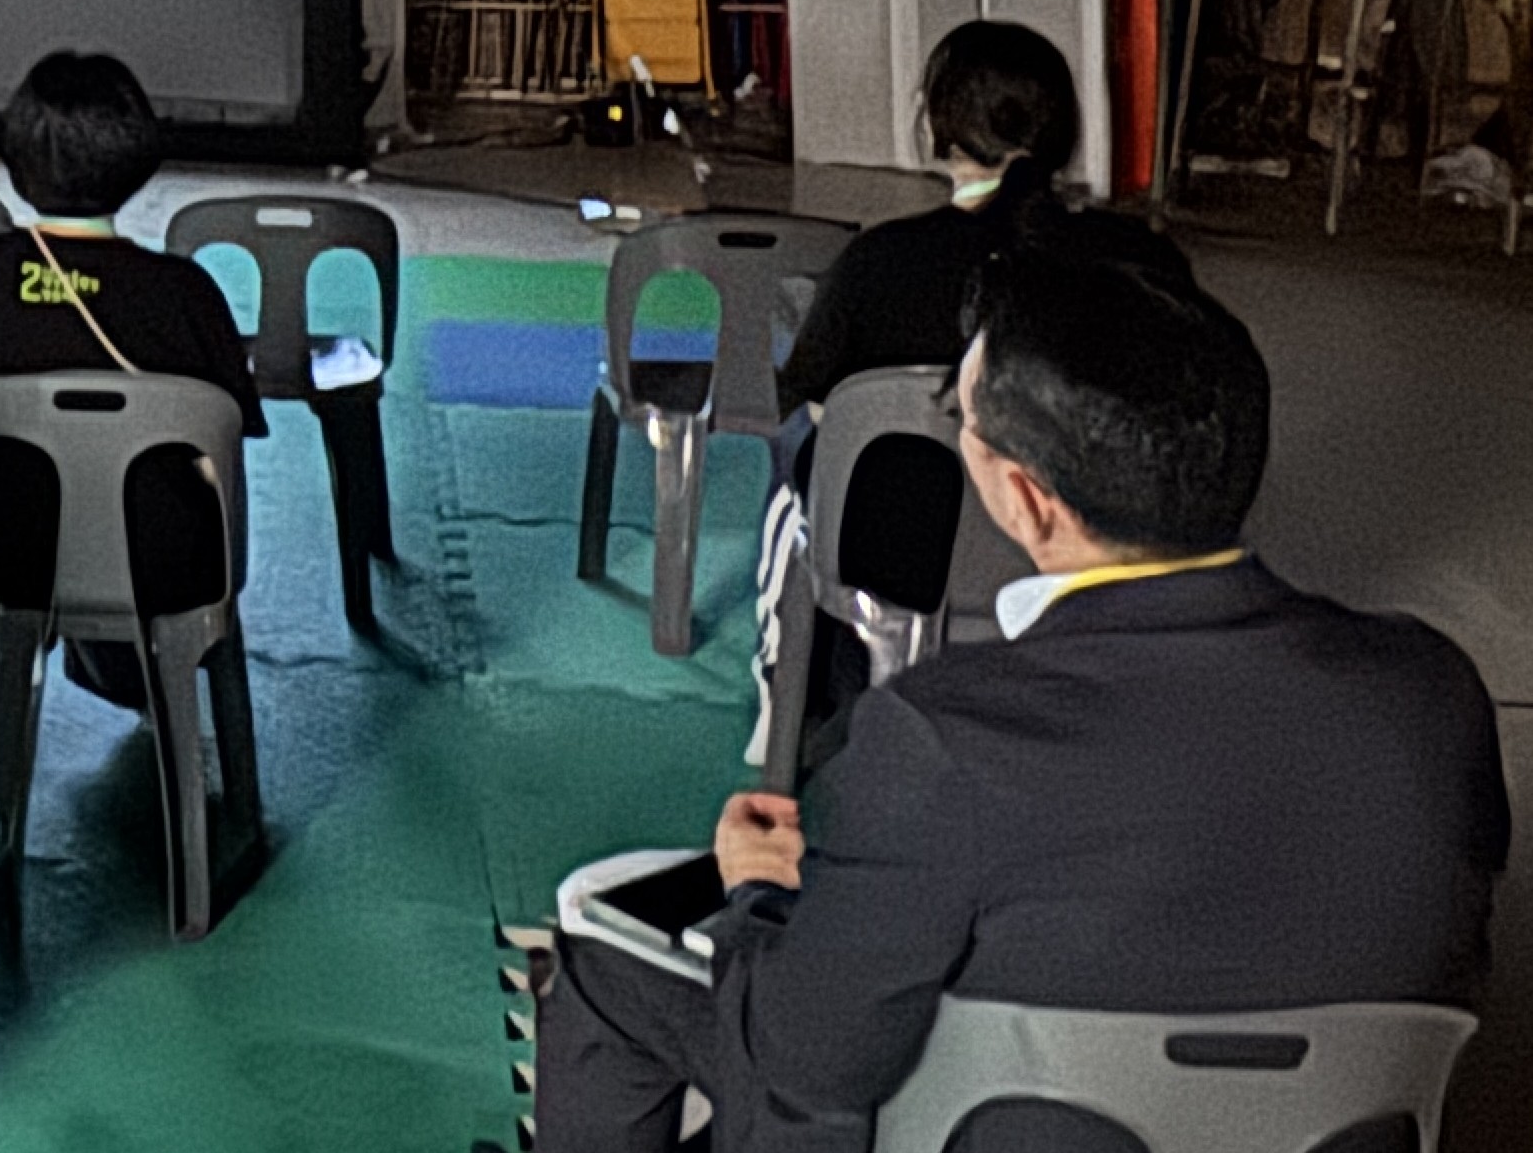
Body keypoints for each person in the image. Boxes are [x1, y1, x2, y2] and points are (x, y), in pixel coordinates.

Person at [534, 251, 1509, 1153]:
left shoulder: (944, 737)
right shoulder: (1433, 692)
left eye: (962, 422)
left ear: (1024, 497)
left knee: (606, 957)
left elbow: (806, 1060)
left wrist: (758, 892)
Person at [755, 20, 1187, 759]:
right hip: (1083, 546)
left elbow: (804, 397)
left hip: (896, 560)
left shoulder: (879, 262)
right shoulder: (1141, 261)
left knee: (799, 437)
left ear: (939, 126)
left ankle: (786, 691)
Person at [0, 49, 262, 707]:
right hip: (167, 569)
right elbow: (220, 441)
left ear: (13, 155)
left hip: (8, 558)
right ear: (141, 159)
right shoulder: (185, 292)